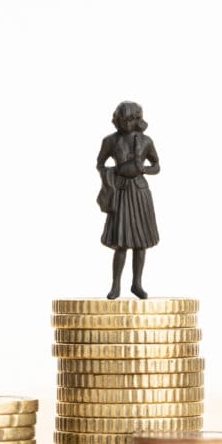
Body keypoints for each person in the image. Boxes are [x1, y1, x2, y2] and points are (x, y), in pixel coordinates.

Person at [96, 101, 160, 299]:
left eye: (130, 120)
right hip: (121, 192)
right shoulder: (110, 141)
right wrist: (116, 171)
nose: (126, 124)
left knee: (141, 242)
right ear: (117, 120)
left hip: (140, 192)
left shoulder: (146, 141)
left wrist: (145, 170)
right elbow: (100, 164)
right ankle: (116, 286)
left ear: (137, 120)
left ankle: (137, 284)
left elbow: (157, 165)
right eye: (122, 120)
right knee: (121, 242)